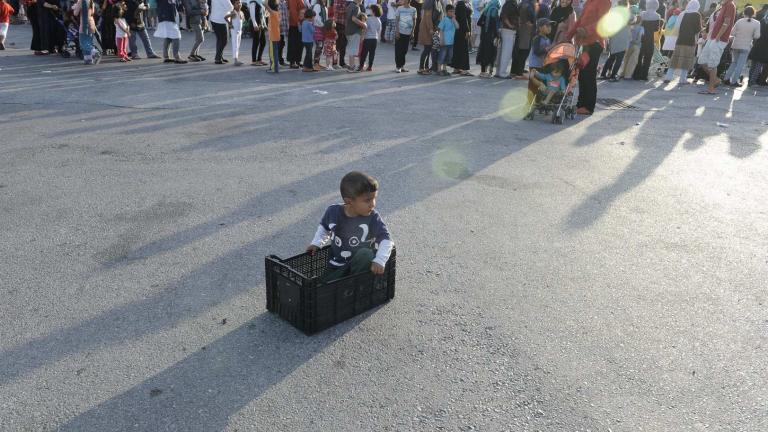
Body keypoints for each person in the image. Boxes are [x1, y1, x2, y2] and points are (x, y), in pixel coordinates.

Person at [307, 171, 394, 283]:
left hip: (360, 268)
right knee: (324, 285)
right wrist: (316, 243)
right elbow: (324, 228)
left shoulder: (373, 217)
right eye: (367, 200)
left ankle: (349, 285)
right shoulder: (333, 212)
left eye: (374, 198)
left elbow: (387, 240)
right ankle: (331, 286)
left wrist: (380, 260)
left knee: (366, 254)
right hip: (336, 265)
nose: (373, 204)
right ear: (349, 201)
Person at [567, 0, 611, 115]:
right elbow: (580, 21)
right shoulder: (588, 2)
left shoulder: (604, 2)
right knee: (582, 74)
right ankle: (581, 104)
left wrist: (587, 30)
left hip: (594, 42)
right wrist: (568, 36)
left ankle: (588, 106)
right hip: (583, 42)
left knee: (589, 74)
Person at [697, 0, 736, 93]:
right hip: (712, 38)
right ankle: (716, 80)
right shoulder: (723, 5)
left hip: (719, 39)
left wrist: (718, 37)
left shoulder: (730, 5)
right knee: (702, 61)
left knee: (713, 64)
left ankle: (711, 89)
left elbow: (727, 22)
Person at [724, 5, 761, 86]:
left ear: (744, 12)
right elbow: (757, 36)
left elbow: (732, 33)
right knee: (740, 65)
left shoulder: (739, 21)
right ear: (753, 13)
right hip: (746, 46)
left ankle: (726, 79)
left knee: (734, 63)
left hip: (736, 44)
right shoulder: (757, 23)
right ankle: (734, 81)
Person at [631, 0, 662, 81]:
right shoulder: (657, 16)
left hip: (641, 37)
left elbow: (637, 24)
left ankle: (636, 74)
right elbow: (656, 29)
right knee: (648, 57)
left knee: (639, 56)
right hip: (650, 38)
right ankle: (644, 75)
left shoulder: (642, 13)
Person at [601, 0, 630, 80]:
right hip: (623, 39)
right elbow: (634, 20)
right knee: (619, 59)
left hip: (614, 38)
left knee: (611, 57)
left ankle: (603, 74)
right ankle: (613, 76)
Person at [510, 0, 535, 77]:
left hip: (520, 29)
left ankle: (514, 70)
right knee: (524, 51)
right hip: (526, 30)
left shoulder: (521, 3)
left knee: (518, 50)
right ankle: (519, 71)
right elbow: (533, 18)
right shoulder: (528, 5)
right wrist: (533, 24)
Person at [416, 0, 443, 74]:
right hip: (427, 29)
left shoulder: (437, 2)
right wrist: (431, 29)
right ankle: (421, 68)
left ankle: (426, 67)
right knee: (427, 49)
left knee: (429, 48)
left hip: (432, 28)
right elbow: (427, 16)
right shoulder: (430, 1)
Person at [495, 0, 519, 78]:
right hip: (508, 30)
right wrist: (510, 25)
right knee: (506, 53)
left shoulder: (508, 4)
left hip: (507, 30)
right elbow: (504, 16)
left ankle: (499, 72)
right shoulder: (510, 4)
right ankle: (502, 73)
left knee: (502, 52)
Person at [476, 0, 499, 77]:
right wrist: (498, 36)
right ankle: (490, 72)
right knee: (491, 53)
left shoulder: (485, 11)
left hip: (484, 35)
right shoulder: (495, 11)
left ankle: (483, 72)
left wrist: (484, 25)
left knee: (483, 52)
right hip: (491, 36)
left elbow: (479, 23)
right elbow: (495, 26)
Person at [450, 0, 473, 75]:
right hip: (462, 30)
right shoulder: (461, 4)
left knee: (458, 48)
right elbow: (463, 18)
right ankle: (464, 69)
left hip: (460, 30)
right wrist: (467, 30)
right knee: (463, 49)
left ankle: (456, 68)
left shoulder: (462, 3)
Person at [747, 5, 768, 86]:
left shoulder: (762, 21)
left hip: (757, 44)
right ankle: (753, 81)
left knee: (753, 64)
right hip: (765, 47)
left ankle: (750, 80)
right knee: (759, 65)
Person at [435, 3, 458, 75]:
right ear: (446, 12)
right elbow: (440, 30)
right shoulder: (444, 19)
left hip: (451, 42)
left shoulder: (453, 20)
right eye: (450, 11)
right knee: (442, 55)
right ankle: (439, 69)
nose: (452, 13)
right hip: (445, 42)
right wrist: (441, 39)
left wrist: (454, 19)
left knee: (448, 57)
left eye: (453, 11)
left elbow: (457, 27)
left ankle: (444, 69)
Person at [394, 0, 416, 71]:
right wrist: (397, 31)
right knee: (398, 50)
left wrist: (412, 32)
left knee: (405, 50)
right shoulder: (399, 8)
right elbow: (397, 20)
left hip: (408, 33)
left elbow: (414, 21)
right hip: (400, 32)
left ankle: (402, 66)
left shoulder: (413, 9)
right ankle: (398, 66)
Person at [345, 0, 366, 71]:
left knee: (351, 48)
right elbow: (353, 18)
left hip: (348, 30)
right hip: (354, 31)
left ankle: (352, 65)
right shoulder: (356, 7)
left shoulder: (350, 5)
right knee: (353, 49)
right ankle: (351, 67)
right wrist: (363, 25)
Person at [359, 3, 381, 70]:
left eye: (370, 10)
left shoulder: (368, 19)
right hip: (374, 39)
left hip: (367, 38)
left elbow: (365, 28)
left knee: (364, 53)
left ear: (373, 11)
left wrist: (362, 37)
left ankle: (361, 66)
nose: (369, 11)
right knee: (372, 53)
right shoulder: (379, 20)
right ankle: (370, 66)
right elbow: (379, 30)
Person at [249, 0, 267, 65]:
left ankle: (259, 59)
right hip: (256, 24)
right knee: (256, 42)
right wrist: (255, 24)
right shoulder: (253, 2)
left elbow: (262, 15)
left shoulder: (261, 2)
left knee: (263, 42)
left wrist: (264, 25)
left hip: (261, 24)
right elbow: (252, 14)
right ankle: (253, 61)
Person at [226, 0, 244, 65]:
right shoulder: (233, 12)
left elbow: (242, 20)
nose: (239, 4)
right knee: (235, 45)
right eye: (237, 3)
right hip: (234, 31)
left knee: (238, 45)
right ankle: (235, 60)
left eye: (240, 3)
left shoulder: (241, 12)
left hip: (239, 31)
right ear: (233, 5)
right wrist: (230, 24)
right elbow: (225, 17)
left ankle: (237, 58)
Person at [311, 0, 327, 69]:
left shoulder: (324, 7)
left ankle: (317, 62)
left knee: (321, 47)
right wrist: (323, 25)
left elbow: (326, 18)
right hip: (318, 28)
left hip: (323, 29)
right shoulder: (317, 6)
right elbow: (316, 17)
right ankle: (315, 63)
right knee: (319, 46)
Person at [266, 0, 281, 71]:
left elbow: (265, 4)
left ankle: (275, 68)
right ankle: (274, 67)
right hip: (275, 34)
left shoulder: (273, 13)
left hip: (273, 35)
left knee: (273, 52)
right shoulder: (277, 13)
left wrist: (266, 3)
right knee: (274, 51)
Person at [333, 0, 347, 67]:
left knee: (343, 45)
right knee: (337, 46)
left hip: (344, 25)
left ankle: (342, 63)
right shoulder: (338, 0)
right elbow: (336, 10)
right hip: (338, 24)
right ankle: (334, 63)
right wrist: (347, 9)